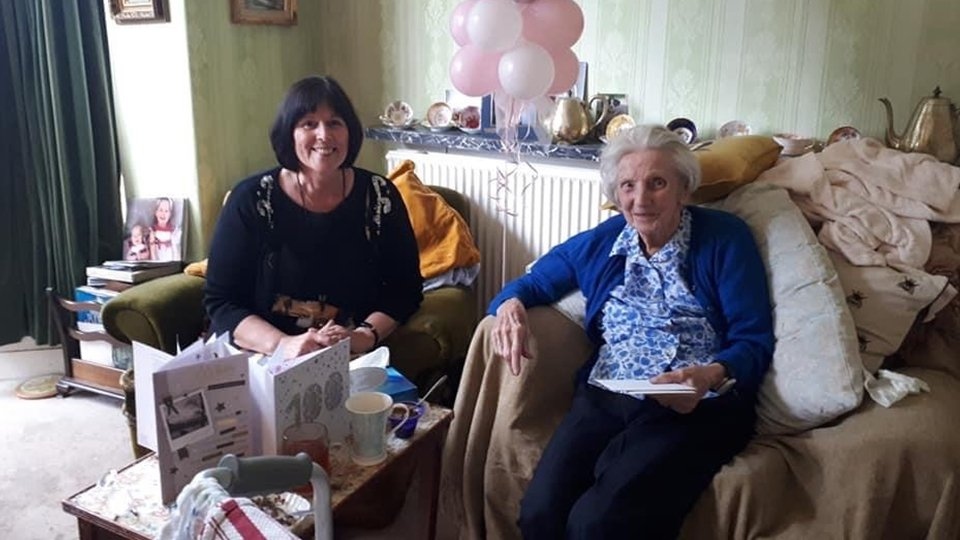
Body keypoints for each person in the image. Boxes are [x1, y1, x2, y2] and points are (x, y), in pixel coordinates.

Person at [488, 125, 774, 539]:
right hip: (608, 391)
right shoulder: (602, 241)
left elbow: (754, 340)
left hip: (694, 406)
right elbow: (532, 283)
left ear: (684, 190)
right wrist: (509, 306)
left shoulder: (725, 239)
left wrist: (708, 375)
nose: (640, 200)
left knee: (597, 524)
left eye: (657, 183)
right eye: (628, 185)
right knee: (539, 514)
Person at [204, 76, 423, 359]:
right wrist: (283, 344)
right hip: (261, 352)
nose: (324, 135)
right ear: (289, 133)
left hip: (346, 352)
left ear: (349, 132)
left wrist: (364, 335)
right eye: (309, 123)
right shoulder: (250, 199)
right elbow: (221, 301)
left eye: (335, 123)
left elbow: (405, 290)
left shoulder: (380, 197)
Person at [150, 197, 182, 261]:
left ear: (170, 214)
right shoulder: (152, 230)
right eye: (160, 210)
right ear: (156, 212)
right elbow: (152, 249)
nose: (163, 214)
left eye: (166, 211)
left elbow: (175, 248)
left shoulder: (173, 230)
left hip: (170, 259)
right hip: (157, 259)